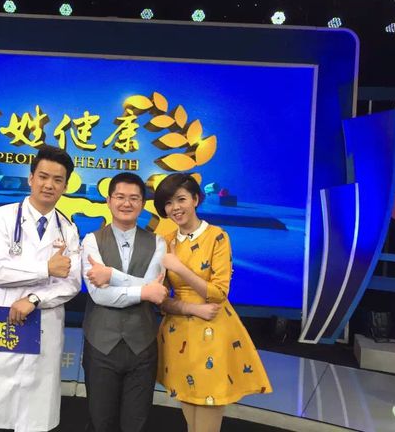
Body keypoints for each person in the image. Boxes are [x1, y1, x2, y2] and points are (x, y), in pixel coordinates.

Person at [0, 145, 82, 432]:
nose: (49, 185)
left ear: (65, 186)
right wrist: (45, 269)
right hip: (2, 322)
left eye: (58, 180)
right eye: (43, 177)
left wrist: (35, 298)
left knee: (33, 419)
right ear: (31, 178)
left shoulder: (68, 229)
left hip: (44, 325)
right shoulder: (1, 218)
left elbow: (71, 282)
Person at [153, 174, 272, 432]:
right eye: (169, 203)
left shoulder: (217, 236)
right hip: (178, 334)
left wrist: (179, 268)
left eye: (181, 199)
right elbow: (161, 299)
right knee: (191, 420)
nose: (175, 208)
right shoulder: (165, 241)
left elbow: (218, 293)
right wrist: (190, 307)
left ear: (195, 199)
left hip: (212, 332)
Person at [81, 172, 169, 432]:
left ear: (142, 203)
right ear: (109, 201)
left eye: (134, 198)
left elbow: (154, 284)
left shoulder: (158, 242)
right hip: (100, 345)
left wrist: (112, 275)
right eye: (120, 197)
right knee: (101, 421)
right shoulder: (91, 241)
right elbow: (99, 294)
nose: (126, 203)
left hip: (142, 345)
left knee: (136, 423)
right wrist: (145, 292)